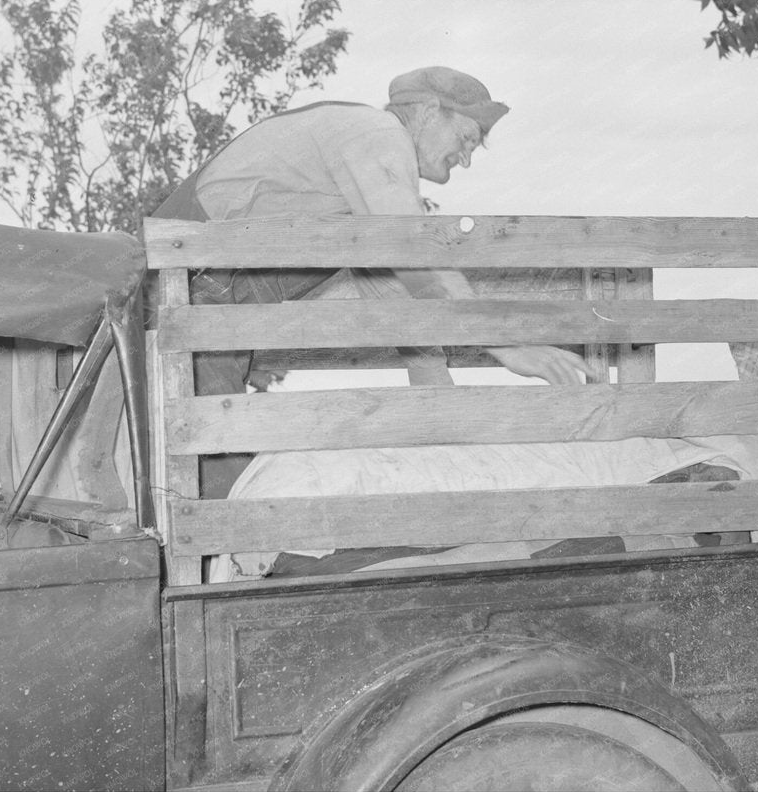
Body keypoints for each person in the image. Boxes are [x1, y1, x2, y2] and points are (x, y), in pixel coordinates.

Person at [151, 66, 598, 495]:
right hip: (186, 292)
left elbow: (395, 292)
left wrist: (441, 409)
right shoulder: (377, 135)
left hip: (208, 303)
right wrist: (509, 345)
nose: (465, 159)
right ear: (428, 111)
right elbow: (415, 252)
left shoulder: (365, 175)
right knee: (218, 477)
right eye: (466, 138)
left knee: (216, 465)